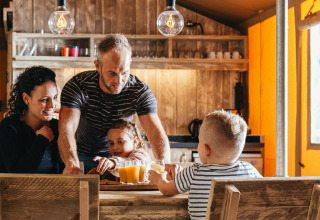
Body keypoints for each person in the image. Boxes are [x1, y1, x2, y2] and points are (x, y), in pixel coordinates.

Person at [58, 34, 171, 175]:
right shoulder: (78, 86)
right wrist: (72, 164)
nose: (119, 80)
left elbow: (155, 133)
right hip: (80, 155)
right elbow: (66, 129)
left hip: (121, 159)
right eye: (112, 73)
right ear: (98, 66)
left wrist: (165, 167)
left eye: (124, 72)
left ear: (130, 63)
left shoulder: (140, 91)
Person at [148, 110, 262, 219]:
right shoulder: (249, 170)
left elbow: (167, 190)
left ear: (206, 149)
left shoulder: (195, 172)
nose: (198, 146)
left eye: (199, 142)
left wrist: (159, 179)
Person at [0, 66, 63, 173]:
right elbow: (16, 174)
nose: (53, 105)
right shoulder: (9, 127)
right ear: (26, 98)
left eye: (55, 97)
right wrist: (42, 140)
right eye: (44, 100)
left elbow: (64, 173)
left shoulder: (58, 128)